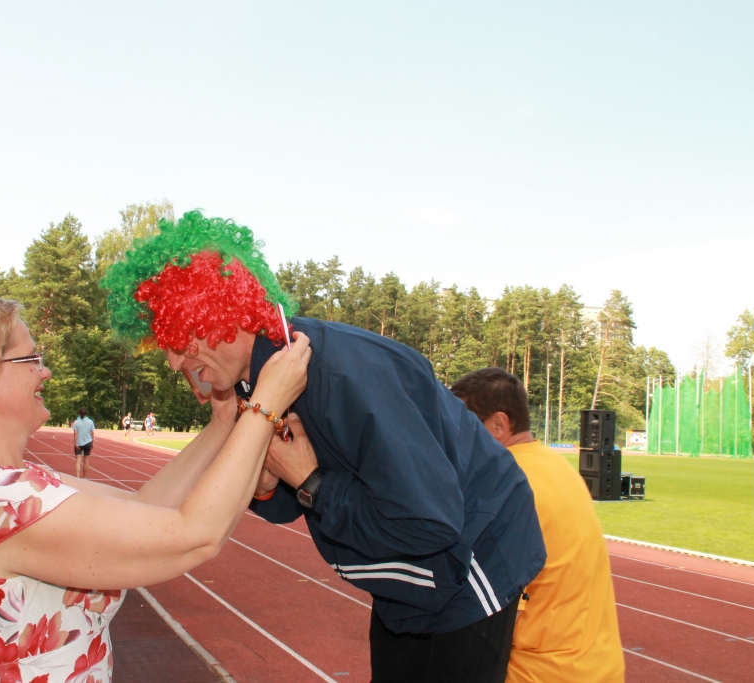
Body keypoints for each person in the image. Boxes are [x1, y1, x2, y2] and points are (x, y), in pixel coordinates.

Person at [102, 211, 546, 683]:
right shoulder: (257, 383)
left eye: (176, 338)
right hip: (407, 576)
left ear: (219, 317)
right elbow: (292, 504)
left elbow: (427, 522)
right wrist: (272, 483)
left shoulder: (340, 375)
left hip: (472, 558)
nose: (173, 362)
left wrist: (310, 481)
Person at [0, 296, 310, 683]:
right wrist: (267, 402)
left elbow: (146, 505)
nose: (45, 372)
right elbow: (195, 536)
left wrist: (222, 423)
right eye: (31, 359)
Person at [450, 368, 625, 683]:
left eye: (462, 425)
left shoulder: (504, 485)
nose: (454, 437)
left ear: (499, 424)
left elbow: (486, 609)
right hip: (598, 666)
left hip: (537, 672)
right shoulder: (558, 467)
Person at [72, 407, 95, 478]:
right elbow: (92, 433)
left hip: (79, 443)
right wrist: (92, 442)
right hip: (88, 442)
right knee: (86, 461)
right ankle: (84, 477)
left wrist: (75, 443)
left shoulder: (76, 422)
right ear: (86, 413)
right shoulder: (90, 422)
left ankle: (77, 477)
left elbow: (75, 434)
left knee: (78, 461)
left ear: (79, 413)